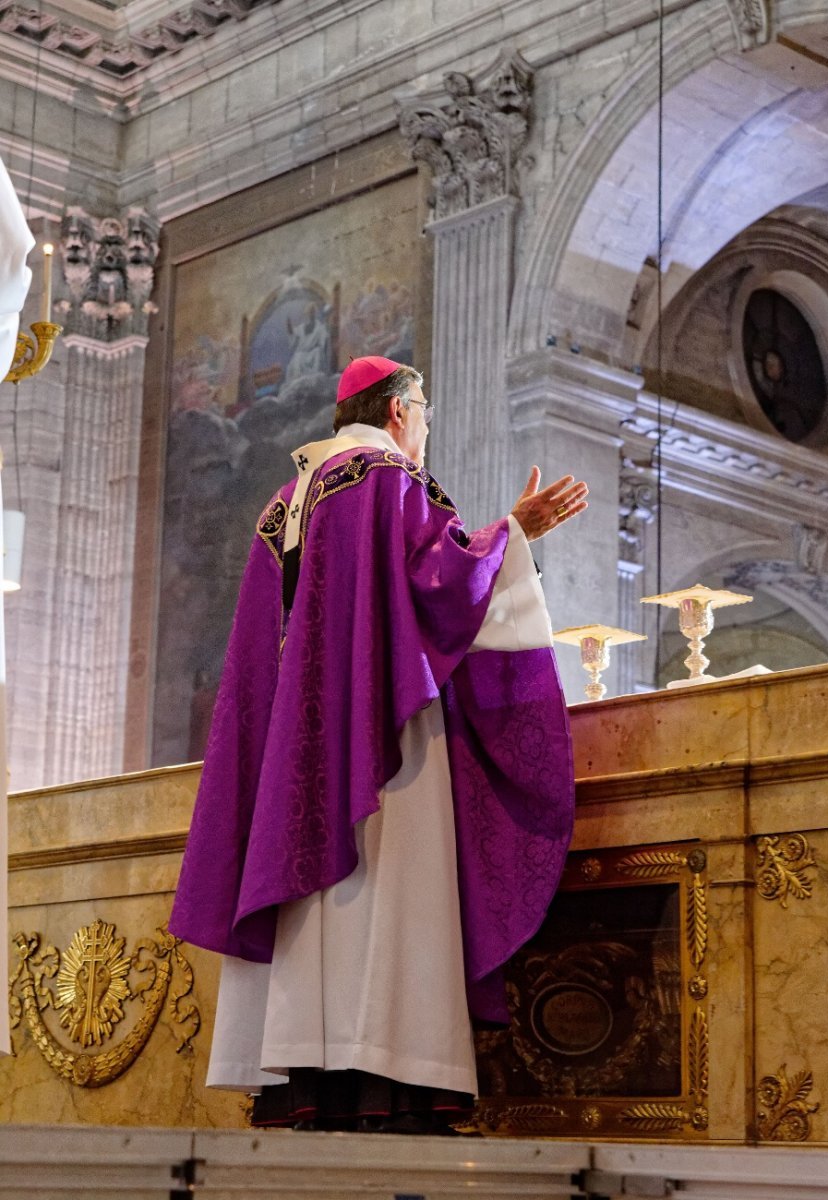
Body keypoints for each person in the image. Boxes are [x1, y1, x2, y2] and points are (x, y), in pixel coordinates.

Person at [169, 355, 588, 1131]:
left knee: (312, 901)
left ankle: (304, 1081)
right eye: (423, 408)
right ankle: (389, 1081)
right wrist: (514, 533)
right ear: (399, 411)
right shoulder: (391, 480)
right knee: (389, 878)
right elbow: (443, 586)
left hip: (291, 768)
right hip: (383, 740)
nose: (425, 425)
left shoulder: (282, 505)